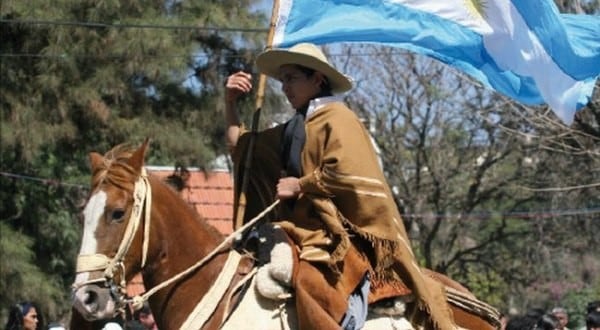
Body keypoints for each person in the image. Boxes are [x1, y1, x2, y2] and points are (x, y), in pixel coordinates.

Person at [224, 42, 454, 330]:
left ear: (317, 79)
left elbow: (350, 174)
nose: (284, 88)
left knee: (313, 281)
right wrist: (230, 102)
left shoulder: (339, 118)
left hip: (343, 238)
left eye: (292, 78)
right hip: (301, 234)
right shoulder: (294, 127)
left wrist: (300, 185)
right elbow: (243, 150)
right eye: (282, 80)